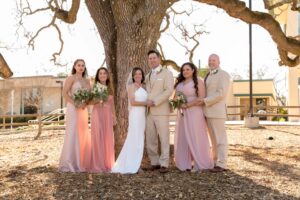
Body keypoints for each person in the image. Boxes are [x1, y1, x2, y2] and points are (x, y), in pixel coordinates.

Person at [174, 62, 214, 171]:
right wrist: (178, 104)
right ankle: (185, 162)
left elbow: (201, 99)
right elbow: (174, 98)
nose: (185, 71)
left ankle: (200, 161)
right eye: (183, 70)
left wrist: (187, 105)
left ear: (192, 70)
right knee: (184, 136)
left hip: (195, 112)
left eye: (187, 69)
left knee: (196, 135)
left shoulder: (198, 81)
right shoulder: (179, 84)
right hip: (183, 114)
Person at [112, 67, 148, 174]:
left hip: (143, 115)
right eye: (136, 74)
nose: (138, 76)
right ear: (133, 76)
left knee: (140, 139)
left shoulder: (144, 87)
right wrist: (147, 103)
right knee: (134, 138)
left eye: (140, 74)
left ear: (142, 76)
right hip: (135, 115)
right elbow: (133, 102)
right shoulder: (131, 86)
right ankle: (133, 164)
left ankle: (137, 162)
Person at [199, 54, 230, 172]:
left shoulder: (224, 74)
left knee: (220, 138)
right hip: (207, 112)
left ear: (219, 61)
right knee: (213, 139)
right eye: (209, 60)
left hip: (217, 111)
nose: (211, 62)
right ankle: (216, 161)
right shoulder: (208, 74)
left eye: (213, 60)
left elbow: (221, 93)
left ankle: (222, 164)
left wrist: (205, 101)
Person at [59, 59, 91, 172]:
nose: (81, 67)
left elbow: (90, 96)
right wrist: (75, 103)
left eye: (83, 65)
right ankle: (70, 162)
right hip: (73, 108)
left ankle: (82, 161)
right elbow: (64, 93)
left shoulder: (87, 81)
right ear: (75, 66)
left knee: (82, 133)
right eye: (79, 65)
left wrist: (85, 103)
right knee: (73, 132)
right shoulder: (71, 78)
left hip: (83, 109)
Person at [145, 50, 174, 173]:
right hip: (149, 112)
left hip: (161, 110)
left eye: (154, 58)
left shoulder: (167, 73)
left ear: (159, 59)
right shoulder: (147, 75)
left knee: (164, 137)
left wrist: (155, 101)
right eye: (150, 58)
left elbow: (168, 90)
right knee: (150, 138)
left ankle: (164, 163)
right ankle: (154, 162)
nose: (152, 60)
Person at [90, 67, 116, 172]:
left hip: (107, 115)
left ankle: (108, 163)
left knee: (107, 137)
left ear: (107, 75)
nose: (102, 75)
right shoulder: (94, 87)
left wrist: (114, 116)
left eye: (104, 73)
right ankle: (98, 164)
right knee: (98, 137)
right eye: (100, 73)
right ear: (98, 76)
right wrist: (99, 99)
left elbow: (112, 104)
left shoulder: (110, 88)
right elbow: (90, 102)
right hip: (97, 113)